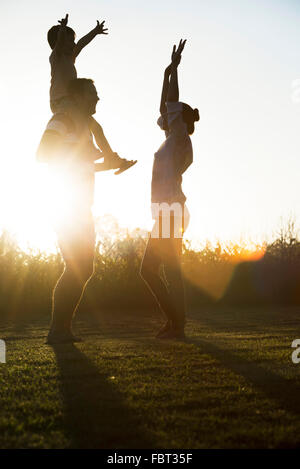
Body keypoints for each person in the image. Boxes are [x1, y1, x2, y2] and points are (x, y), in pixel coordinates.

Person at [37, 78, 135, 344]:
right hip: (67, 207)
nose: (98, 99)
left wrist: (114, 164)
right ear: (78, 96)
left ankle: (61, 329)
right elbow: (43, 153)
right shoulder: (63, 120)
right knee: (77, 265)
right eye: (93, 94)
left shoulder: (85, 130)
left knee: (83, 267)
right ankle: (57, 330)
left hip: (80, 207)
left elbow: (83, 165)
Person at [140, 40, 199, 340]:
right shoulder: (172, 138)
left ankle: (177, 324)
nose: (168, 116)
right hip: (167, 210)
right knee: (152, 270)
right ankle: (175, 322)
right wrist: (165, 74)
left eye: (174, 115)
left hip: (172, 210)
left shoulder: (180, 139)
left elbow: (171, 103)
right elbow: (164, 106)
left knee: (155, 269)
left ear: (181, 121)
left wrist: (175, 71)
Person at [47, 13, 135, 173]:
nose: (73, 44)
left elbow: (81, 43)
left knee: (96, 127)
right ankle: (90, 149)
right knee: (84, 123)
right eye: (70, 41)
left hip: (72, 102)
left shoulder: (70, 58)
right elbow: (59, 44)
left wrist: (94, 32)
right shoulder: (56, 57)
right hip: (61, 101)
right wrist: (61, 31)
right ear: (59, 43)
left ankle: (110, 156)